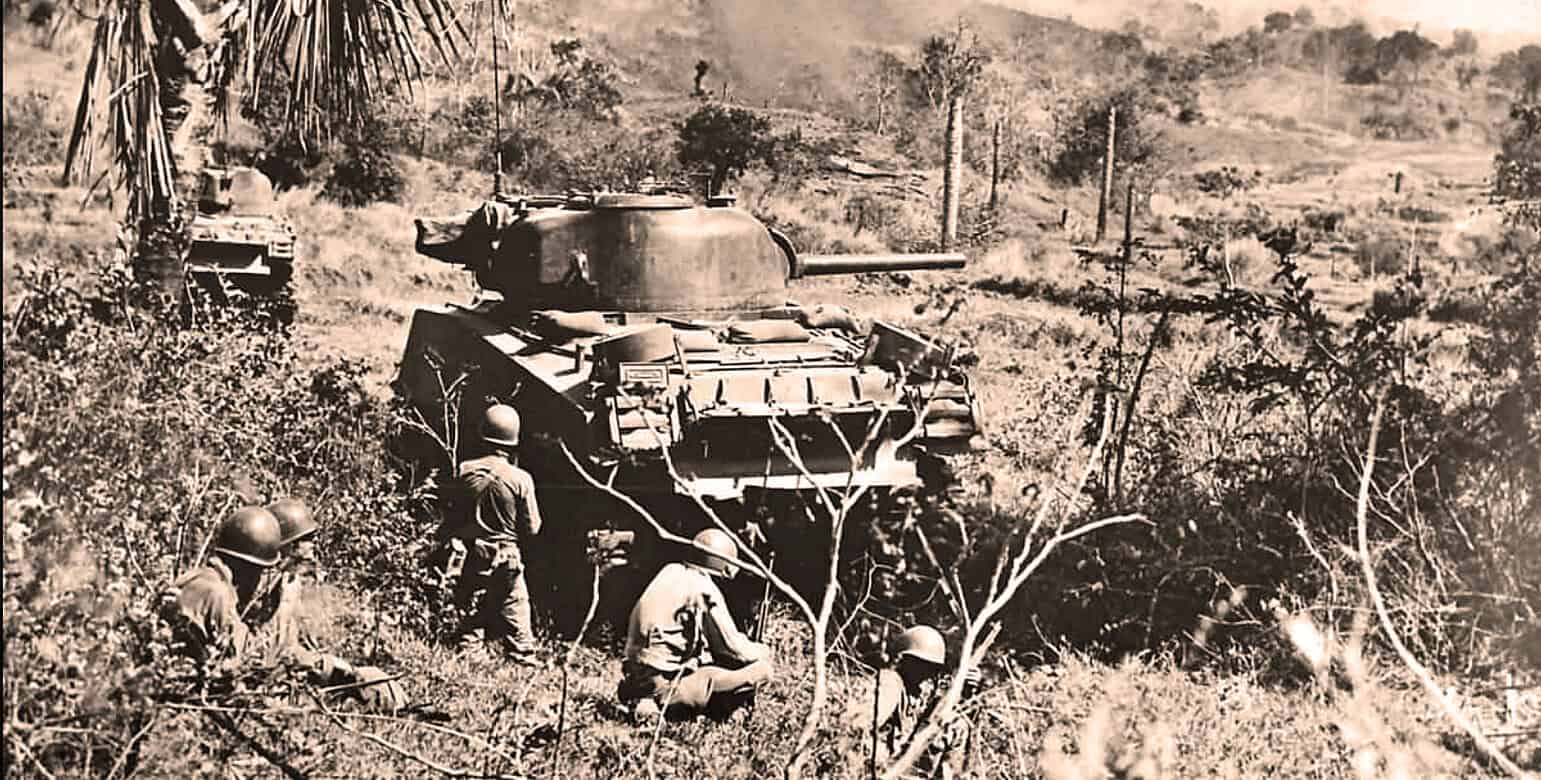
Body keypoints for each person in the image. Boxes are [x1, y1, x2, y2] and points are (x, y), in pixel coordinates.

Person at [616, 528, 775, 722]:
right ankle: (669, 705)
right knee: (762, 670)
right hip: (664, 682)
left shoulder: (670, 570)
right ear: (725, 566)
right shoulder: (704, 588)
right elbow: (734, 650)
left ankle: (643, 698)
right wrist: (762, 650)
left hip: (635, 674)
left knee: (707, 666)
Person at [437, 404, 544, 664]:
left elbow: (452, 515)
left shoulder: (464, 470)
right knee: (516, 608)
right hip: (506, 557)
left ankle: (472, 659)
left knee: (473, 612)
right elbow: (533, 528)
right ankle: (522, 659)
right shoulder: (521, 479)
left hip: (472, 554)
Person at [848, 625, 978, 779]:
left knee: (957, 723)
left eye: (932, 668)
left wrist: (968, 695)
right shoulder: (889, 683)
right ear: (903, 660)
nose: (926, 673)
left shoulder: (927, 697)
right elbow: (858, 726)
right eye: (920, 664)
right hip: (880, 770)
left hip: (911, 771)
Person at [165, 505, 284, 665]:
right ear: (249, 568)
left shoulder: (198, 577)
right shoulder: (216, 593)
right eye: (261, 571)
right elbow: (243, 654)